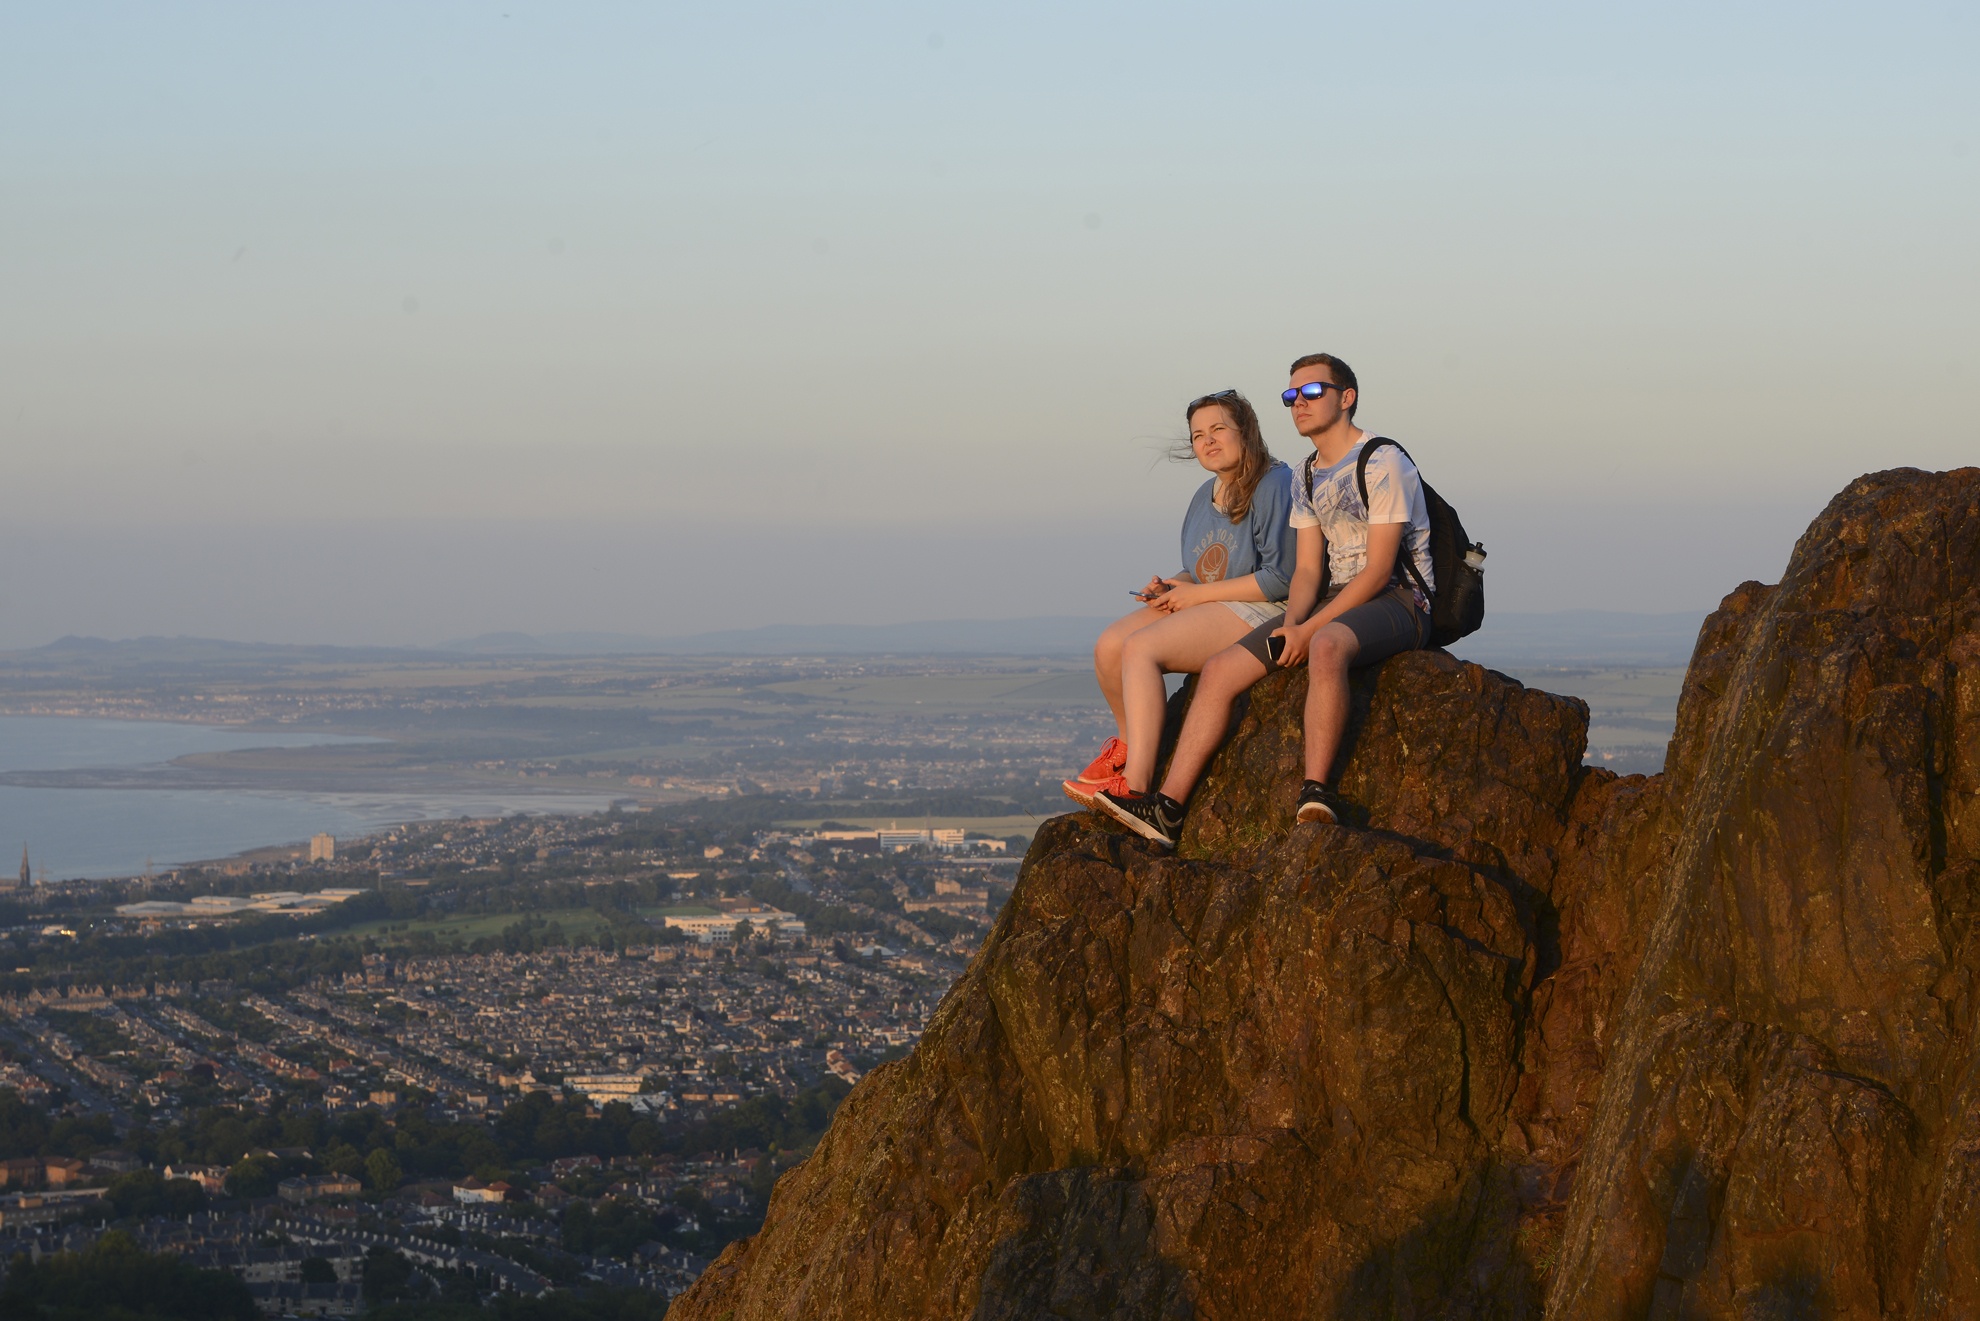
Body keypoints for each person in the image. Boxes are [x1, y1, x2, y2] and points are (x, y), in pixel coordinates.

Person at [1095, 354, 1432, 847]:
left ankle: (1315, 793)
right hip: (1332, 596)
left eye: (1312, 392)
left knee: (1327, 646)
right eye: (1291, 395)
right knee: (1219, 671)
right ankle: (1165, 809)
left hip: (1399, 598)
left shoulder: (1382, 461)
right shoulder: (1307, 475)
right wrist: (1291, 624)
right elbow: (1309, 571)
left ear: (1347, 397)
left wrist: (1309, 630)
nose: (1299, 403)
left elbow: (1380, 570)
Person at [1063, 389, 1296, 809]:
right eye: (1197, 434)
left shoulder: (1274, 484)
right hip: (1215, 600)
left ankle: (1135, 788)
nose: (1207, 441)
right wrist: (1173, 586)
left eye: (1218, 429)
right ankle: (1127, 750)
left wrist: (1198, 595)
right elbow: (1203, 568)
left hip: (1267, 609)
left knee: (1142, 649)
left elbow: (1281, 579)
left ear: (1247, 432)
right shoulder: (1206, 494)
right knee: (1110, 644)